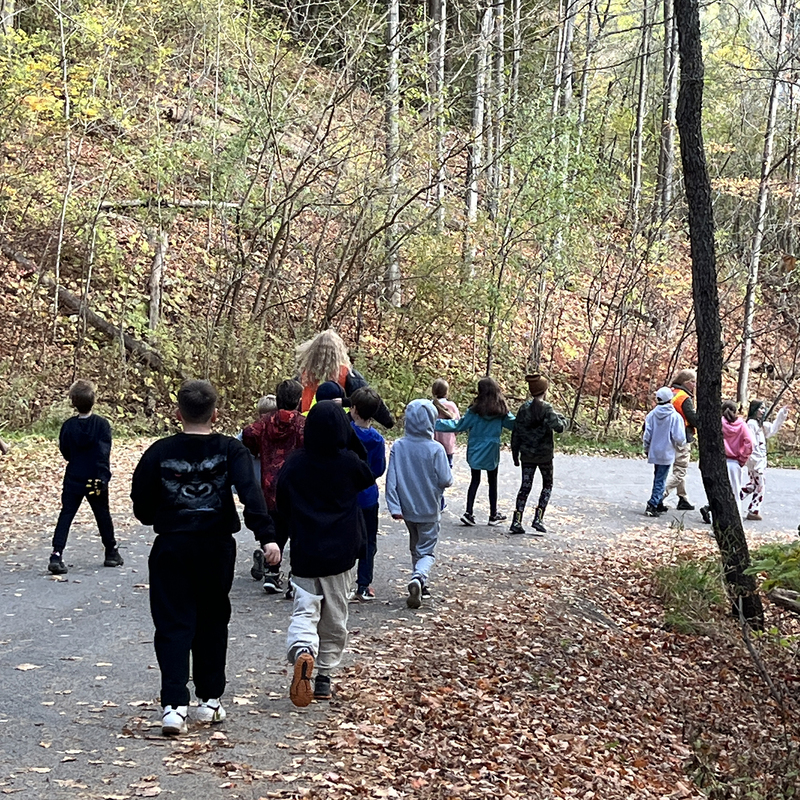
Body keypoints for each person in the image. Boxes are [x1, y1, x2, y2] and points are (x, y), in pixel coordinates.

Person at [131, 380, 278, 735]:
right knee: (212, 619)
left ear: (177, 413)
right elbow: (250, 494)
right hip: (216, 546)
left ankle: (172, 707)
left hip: (172, 544)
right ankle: (209, 701)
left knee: (172, 623)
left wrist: (163, 513)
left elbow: (141, 504)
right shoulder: (231, 450)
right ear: (216, 413)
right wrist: (268, 537)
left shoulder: (158, 452)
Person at [276, 401, 375, 707]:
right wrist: (350, 438)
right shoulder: (348, 463)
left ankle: (304, 649)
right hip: (341, 553)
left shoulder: (294, 463)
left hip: (305, 551)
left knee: (305, 611)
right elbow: (367, 473)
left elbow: (281, 504)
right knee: (334, 616)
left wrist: (277, 542)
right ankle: (323, 678)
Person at [48, 379, 123, 575]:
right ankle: (111, 552)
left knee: (67, 514)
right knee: (101, 513)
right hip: (95, 478)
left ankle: (56, 554)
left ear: (73, 402)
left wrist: (74, 460)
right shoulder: (102, 425)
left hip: (74, 476)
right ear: (94, 400)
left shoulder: (68, 426)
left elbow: (65, 449)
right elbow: (103, 452)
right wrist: (103, 475)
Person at [385, 399, 453, 608]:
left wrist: (394, 506)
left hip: (407, 508)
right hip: (429, 507)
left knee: (415, 545)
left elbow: (391, 478)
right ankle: (419, 577)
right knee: (427, 550)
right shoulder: (436, 449)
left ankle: (419, 582)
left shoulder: (399, 446)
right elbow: (445, 479)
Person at [242, 380, 305, 594]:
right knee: (297, 533)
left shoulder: (265, 422)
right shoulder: (303, 424)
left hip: (270, 484)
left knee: (275, 531)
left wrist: (256, 449)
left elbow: (247, 434)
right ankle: (295, 579)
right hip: (295, 485)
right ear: (298, 400)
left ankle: (271, 572)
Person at [434, 377, 515, 526]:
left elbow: (459, 425)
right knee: (493, 481)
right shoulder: (501, 410)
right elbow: (514, 424)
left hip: (475, 447)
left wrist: (436, 423)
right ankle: (493, 514)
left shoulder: (475, 410)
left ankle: (469, 512)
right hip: (491, 449)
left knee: (475, 480)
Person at [295, 328, 394, 427]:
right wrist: (387, 421)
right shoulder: (349, 376)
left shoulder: (305, 376)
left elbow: (289, 397)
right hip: (339, 430)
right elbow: (367, 400)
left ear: (312, 351)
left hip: (307, 428)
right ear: (339, 352)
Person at [509, 374, 568, 534]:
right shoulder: (547, 408)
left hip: (526, 455)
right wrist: (564, 419)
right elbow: (559, 427)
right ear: (545, 390)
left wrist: (515, 453)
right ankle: (538, 518)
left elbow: (516, 432)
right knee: (547, 484)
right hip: (545, 456)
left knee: (525, 487)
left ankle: (517, 520)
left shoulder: (523, 408)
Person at [349, 387, 387, 602]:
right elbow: (379, 469)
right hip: (368, 494)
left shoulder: (346, 433)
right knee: (369, 539)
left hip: (346, 493)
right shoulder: (377, 439)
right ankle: (364, 584)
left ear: (353, 409)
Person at [741, 400, 790, 521]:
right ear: (754, 409)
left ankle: (734, 498)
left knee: (753, 485)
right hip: (755, 462)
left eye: (764, 409)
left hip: (759, 461)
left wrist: (782, 413)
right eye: (760, 408)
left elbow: (773, 429)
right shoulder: (751, 424)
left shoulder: (760, 424)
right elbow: (751, 443)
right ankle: (754, 510)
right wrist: (755, 460)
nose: (762, 411)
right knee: (760, 487)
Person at [642, 387, 686, 517]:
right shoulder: (674, 416)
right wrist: (682, 444)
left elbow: (647, 434)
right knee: (661, 478)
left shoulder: (651, 415)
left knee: (658, 476)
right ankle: (653, 503)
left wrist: (646, 448)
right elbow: (679, 436)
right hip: (667, 451)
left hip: (655, 450)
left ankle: (658, 502)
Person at [661, 369, 700, 511]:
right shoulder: (684, 398)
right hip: (682, 436)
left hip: (667, 436)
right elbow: (693, 419)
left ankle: (683, 498)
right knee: (680, 470)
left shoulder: (670, 393)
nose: (695, 385)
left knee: (678, 467)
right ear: (686, 382)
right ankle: (659, 496)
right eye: (693, 382)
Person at [721, 400, 754, 517]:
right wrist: (742, 459)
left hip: (720, 462)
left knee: (720, 494)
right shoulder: (742, 425)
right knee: (735, 494)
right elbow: (749, 443)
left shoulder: (719, 423)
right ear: (736, 411)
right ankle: (736, 522)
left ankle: (718, 523)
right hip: (735, 463)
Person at [431, 378, 460, 510]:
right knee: (444, 474)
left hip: (433, 445)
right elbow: (458, 425)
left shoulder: (430, 405)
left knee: (432, 474)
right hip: (448, 446)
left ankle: (436, 501)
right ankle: (440, 500)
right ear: (447, 392)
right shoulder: (452, 406)